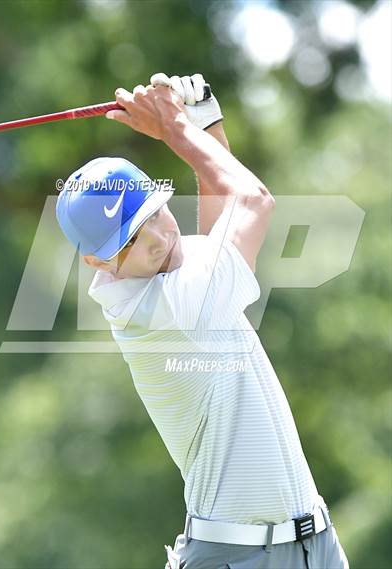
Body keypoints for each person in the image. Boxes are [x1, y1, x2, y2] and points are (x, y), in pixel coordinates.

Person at [56, 73, 349, 569]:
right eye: (128, 241)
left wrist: (204, 124)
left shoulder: (168, 273)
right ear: (98, 263)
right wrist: (173, 127)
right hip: (239, 558)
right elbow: (253, 201)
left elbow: (219, 215)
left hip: (314, 543)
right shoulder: (154, 311)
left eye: (151, 213)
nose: (153, 239)